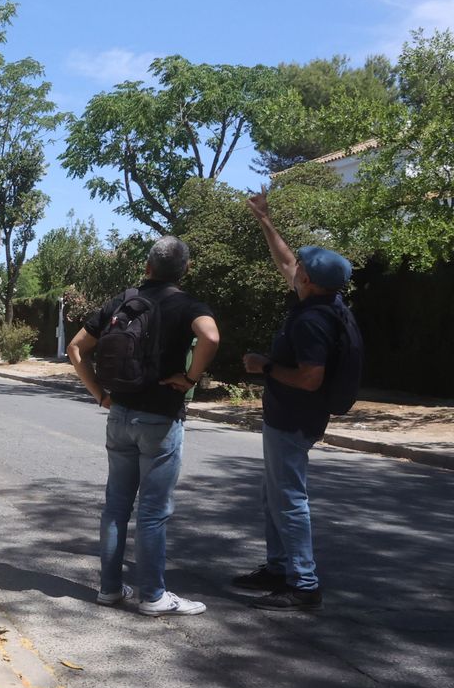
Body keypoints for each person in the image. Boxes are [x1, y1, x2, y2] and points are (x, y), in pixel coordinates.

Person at [69, 237, 220, 615]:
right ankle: (152, 596)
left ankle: (109, 589)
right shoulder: (187, 305)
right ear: (185, 270)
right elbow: (211, 336)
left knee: (116, 508)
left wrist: (100, 395)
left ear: (147, 267)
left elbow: (75, 348)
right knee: (153, 512)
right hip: (161, 419)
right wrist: (190, 378)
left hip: (119, 415)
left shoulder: (122, 302)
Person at [231, 192, 357, 611]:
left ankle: (303, 584)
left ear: (310, 281)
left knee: (289, 498)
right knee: (275, 494)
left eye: (301, 267)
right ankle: (279, 567)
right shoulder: (323, 299)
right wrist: (265, 219)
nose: (295, 267)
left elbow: (309, 378)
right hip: (288, 416)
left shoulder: (312, 322)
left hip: (294, 418)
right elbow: (284, 260)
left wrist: (263, 367)